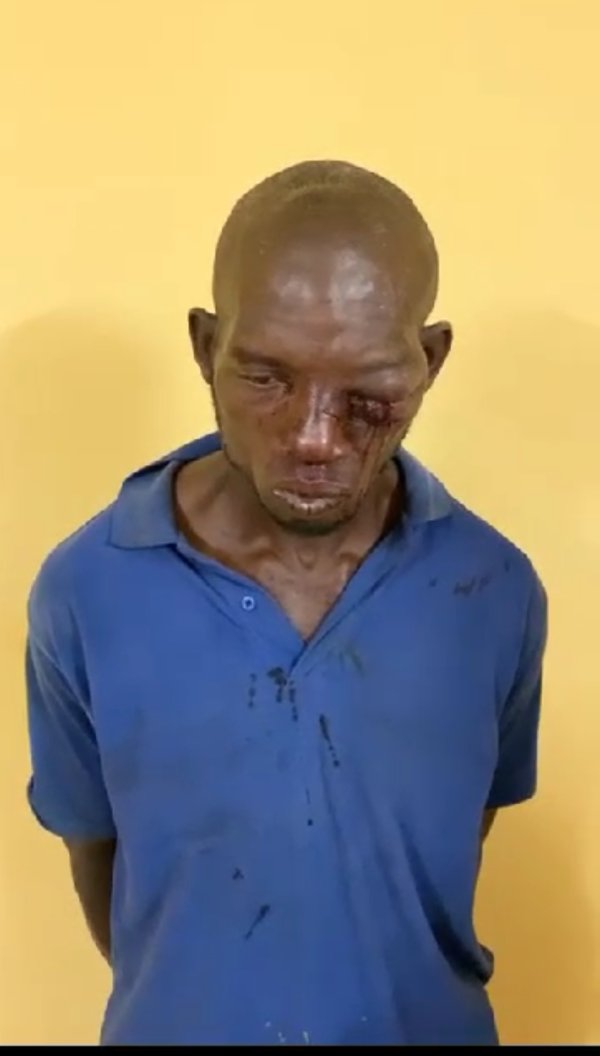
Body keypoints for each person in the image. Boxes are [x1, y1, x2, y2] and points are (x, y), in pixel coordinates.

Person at [25, 160, 547, 1046]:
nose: (314, 438)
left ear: (429, 360)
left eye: (368, 392)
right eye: (266, 378)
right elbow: (100, 856)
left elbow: (454, 844)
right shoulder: (87, 589)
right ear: (205, 347)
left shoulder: (494, 591)